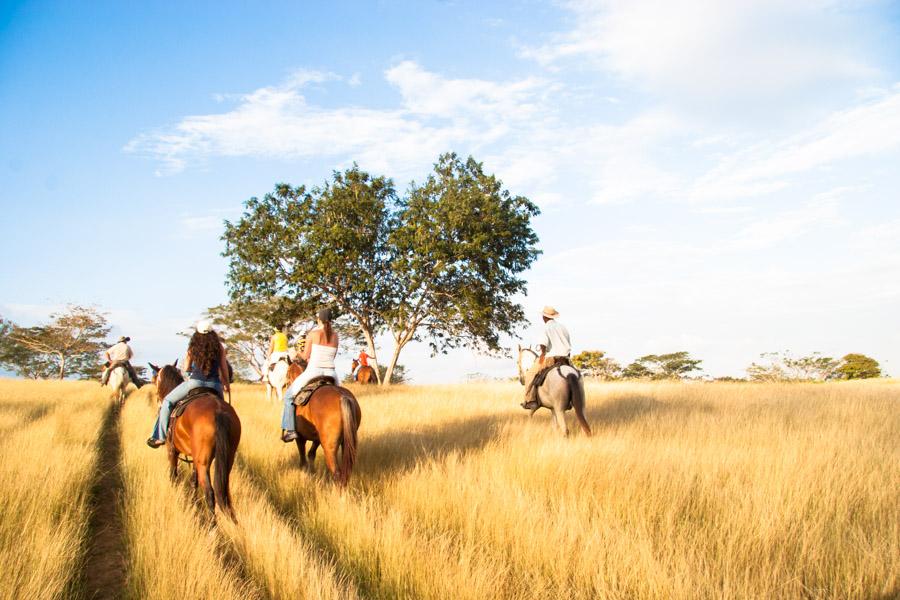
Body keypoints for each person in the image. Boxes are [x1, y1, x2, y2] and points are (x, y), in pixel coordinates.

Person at [147, 319, 230, 448]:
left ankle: (160, 437)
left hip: (195, 383)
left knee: (167, 402)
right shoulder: (219, 347)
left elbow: (186, 367)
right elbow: (224, 368)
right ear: (212, 333)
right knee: (224, 411)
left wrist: (189, 374)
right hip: (215, 385)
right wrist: (226, 385)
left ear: (198, 333)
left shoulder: (193, 347)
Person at [280, 308, 339, 442]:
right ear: (330, 320)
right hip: (332, 373)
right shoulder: (336, 336)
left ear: (319, 319)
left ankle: (291, 430)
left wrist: (295, 353)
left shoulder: (313, 334)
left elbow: (305, 355)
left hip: (314, 371)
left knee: (288, 397)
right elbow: (333, 356)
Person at [521, 306, 572, 410]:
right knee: (576, 375)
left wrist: (543, 354)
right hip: (566, 358)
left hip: (550, 358)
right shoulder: (563, 327)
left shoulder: (545, 328)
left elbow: (543, 344)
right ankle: (572, 400)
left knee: (530, 374)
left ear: (544, 317)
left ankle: (530, 400)